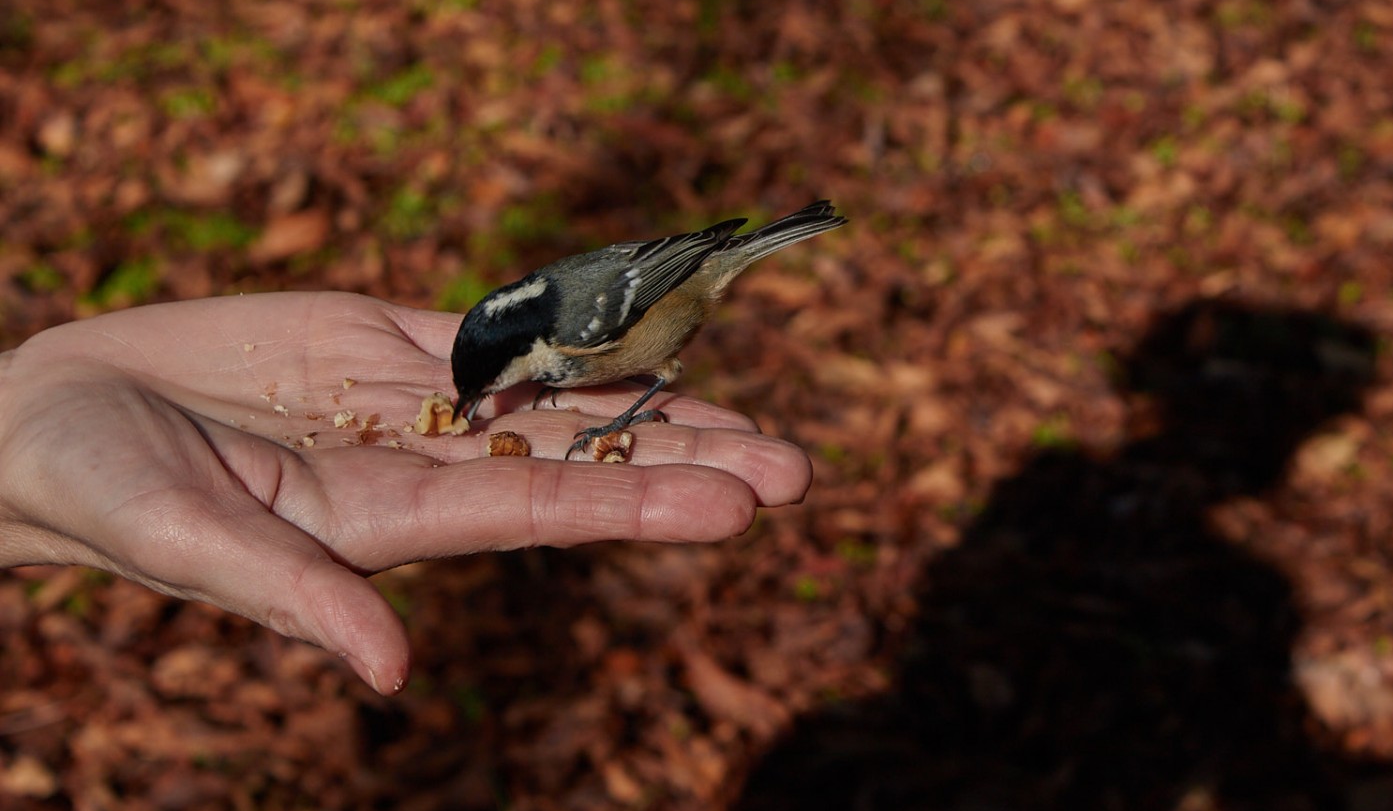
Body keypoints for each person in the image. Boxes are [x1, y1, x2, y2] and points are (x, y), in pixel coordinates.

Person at [0, 292, 814, 695]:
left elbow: (661, 297)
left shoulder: (573, 328)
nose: (480, 406)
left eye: (485, 386)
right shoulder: (529, 336)